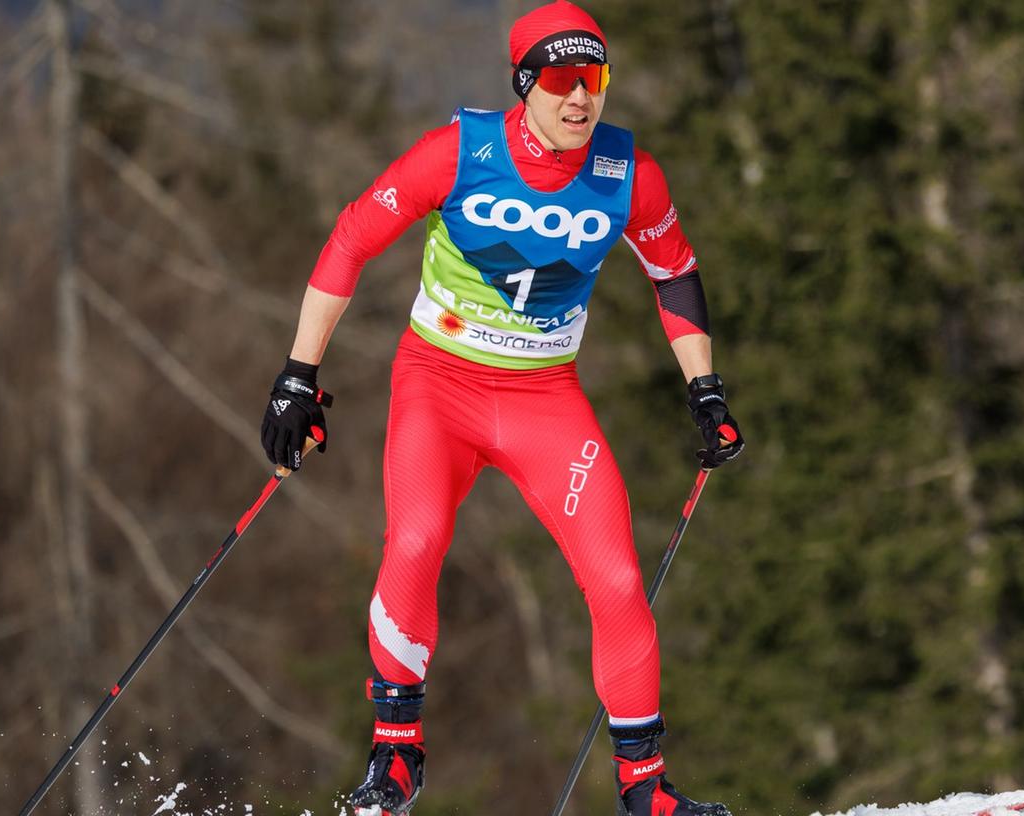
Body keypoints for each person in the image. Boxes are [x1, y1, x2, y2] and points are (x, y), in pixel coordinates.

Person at [257, 3, 745, 814]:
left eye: (595, 80)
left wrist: (706, 390)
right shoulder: (463, 150)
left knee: (619, 578)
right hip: (437, 386)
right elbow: (351, 238)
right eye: (561, 81)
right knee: (414, 541)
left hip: (543, 398)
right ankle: (396, 759)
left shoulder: (629, 171)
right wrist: (297, 375)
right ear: (526, 86)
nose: (580, 98)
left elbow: (675, 273)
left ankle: (646, 793)